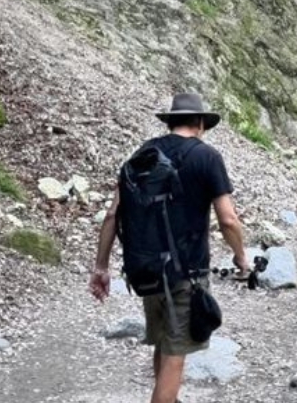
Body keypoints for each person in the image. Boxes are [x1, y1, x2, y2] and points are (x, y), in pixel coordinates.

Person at [89, 93, 249, 403]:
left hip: (146, 271)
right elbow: (228, 219)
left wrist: (101, 268)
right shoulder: (207, 157)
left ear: (170, 121)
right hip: (185, 275)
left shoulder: (144, 154)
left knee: (164, 344)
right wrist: (241, 256)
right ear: (201, 123)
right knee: (176, 355)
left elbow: (112, 214)